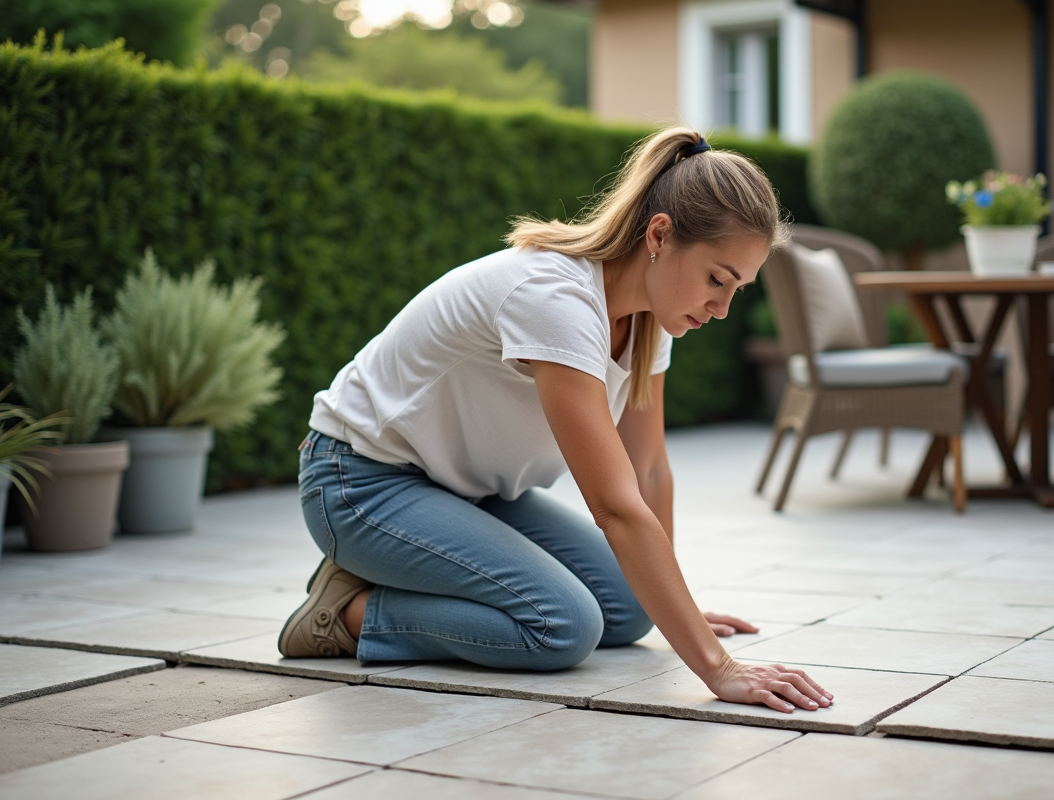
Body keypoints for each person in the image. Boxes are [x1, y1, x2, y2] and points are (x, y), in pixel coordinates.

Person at [279, 127, 834, 715]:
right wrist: (718, 670)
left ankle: (417, 566)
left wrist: (684, 613)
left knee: (630, 609)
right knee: (561, 625)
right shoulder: (555, 299)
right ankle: (345, 613)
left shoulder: (650, 319)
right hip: (360, 482)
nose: (722, 309)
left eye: (737, 290)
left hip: (464, 491)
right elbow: (616, 506)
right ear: (660, 234)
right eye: (717, 280)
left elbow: (648, 473)